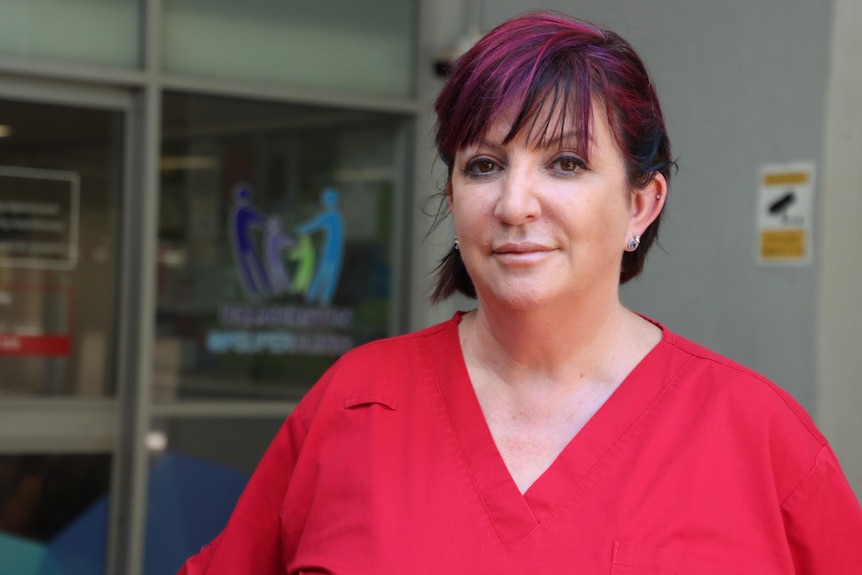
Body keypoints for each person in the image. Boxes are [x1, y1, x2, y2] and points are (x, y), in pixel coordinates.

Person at [179, 11, 862, 574]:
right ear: (453, 193)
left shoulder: (758, 438)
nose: (513, 203)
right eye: (484, 165)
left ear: (641, 204)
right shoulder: (356, 400)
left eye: (565, 162)